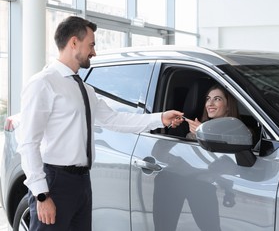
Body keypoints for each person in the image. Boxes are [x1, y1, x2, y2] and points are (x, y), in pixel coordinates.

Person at [17, 16, 184, 231]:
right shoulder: (43, 83)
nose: (94, 52)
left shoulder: (85, 89)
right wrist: (41, 194)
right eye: (92, 45)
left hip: (82, 182)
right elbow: (28, 142)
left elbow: (115, 120)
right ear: (74, 42)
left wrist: (160, 118)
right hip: (55, 182)